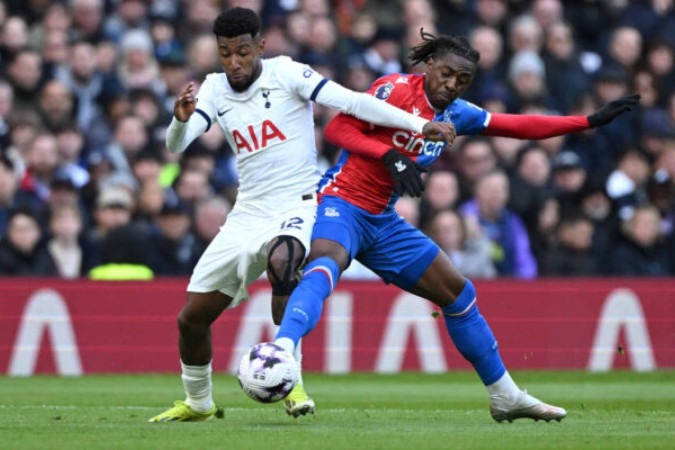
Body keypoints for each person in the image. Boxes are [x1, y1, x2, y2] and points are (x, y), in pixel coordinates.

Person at [272, 30, 639, 423]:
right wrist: (390, 156)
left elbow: (517, 125)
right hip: (341, 201)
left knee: (459, 293)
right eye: (446, 74)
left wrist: (586, 121)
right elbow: (338, 129)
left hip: (382, 220)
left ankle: (506, 396)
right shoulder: (393, 89)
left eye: (462, 80)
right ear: (429, 64)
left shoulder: (457, 114)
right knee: (325, 263)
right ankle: (280, 353)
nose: (451, 84)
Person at [148, 8, 455, 423]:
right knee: (192, 320)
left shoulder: (288, 73)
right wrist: (178, 120)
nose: (234, 63)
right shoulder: (214, 89)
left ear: (260, 46)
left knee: (284, 261)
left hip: (298, 202)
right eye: (225, 54)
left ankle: (291, 381)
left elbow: (353, 102)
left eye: (241, 52)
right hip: (246, 213)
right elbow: (177, 145)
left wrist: (418, 127)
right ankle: (199, 403)